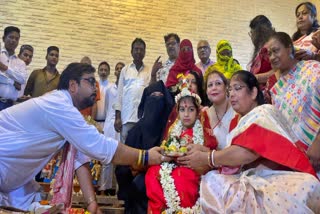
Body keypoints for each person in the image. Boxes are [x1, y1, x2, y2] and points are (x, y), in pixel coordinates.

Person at [0, 62, 168, 212]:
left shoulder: (66, 110)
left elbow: (80, 158)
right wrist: (145, 156)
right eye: (89, 81)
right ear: (73, 85)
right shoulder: (58, 105)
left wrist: (91, 202)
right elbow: (99, 146)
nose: (95, 87)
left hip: (10, 178)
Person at [178, 70, 320, 213]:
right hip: (254, 176)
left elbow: (247, 153)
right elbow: (235, 156)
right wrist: (206, 152)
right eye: (230, 90)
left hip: (275, 178)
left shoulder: (264, 112)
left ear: (253, 92)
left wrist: (208, 157)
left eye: (237, 88)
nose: (232, 94)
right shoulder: (240, 120)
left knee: (212, 182)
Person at [145, 86, 217, 213]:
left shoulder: (202, 130)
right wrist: (166, 154)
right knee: (151, 173)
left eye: (191, 109)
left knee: (182, 177)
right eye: (182, 110)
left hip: (192, 168)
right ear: (177, 112)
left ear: (197, 112)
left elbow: (211, 151)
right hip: (171, 165)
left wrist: (197, 150)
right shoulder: (174, 129)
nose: (186, 114)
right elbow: (166, 147)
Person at [116, 80, 174, 213]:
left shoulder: (171, 130)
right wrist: (133, 170)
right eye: (152, 97)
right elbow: (121, 168)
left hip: (166, 188)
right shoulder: (135, 132)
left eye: (159, 98)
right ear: (146, 101)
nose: (155, 102)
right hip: (137, 194)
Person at [267, 32, 320, 172]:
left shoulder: (314, 69)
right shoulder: (277, 90)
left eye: (276, 50)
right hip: (297, 162)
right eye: (269, 53)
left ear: (289, 48)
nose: (272, 57)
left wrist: (318, 141)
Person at [114, 38, 151, 143]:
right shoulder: (125, 70)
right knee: (125, 149)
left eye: (141, 49)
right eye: (136, 49)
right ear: (131, 51)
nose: (138, 52)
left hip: (143, 119)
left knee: (140, 149)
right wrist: (117, 118)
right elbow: (119, 95)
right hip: (127, 117)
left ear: (145, 52)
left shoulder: (149, 70)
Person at [99, 62, 125, 195]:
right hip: (110, 124)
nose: (119, 70)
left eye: (122, 68)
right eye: (117, 69)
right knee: (107, 156)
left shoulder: (126, 89)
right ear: (114, 72)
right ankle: (104, 188)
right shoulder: (110, 90)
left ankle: (117, 190)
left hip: (121, 126)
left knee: (120, 158)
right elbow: (108, 108)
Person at [202, 67, 235, 150]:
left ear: (226, 87)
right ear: (206, 91)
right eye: (210, 85)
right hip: (213, 161)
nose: (214, 88)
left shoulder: (238, 109)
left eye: (218, 83)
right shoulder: (204, 116)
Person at [0, 26, 27, 110]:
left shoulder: (21, 63)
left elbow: (22, 79)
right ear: (4, 38)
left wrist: (5, 68)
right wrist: (13, 82)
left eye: (17, 39)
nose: (14, 40)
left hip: (9, 105)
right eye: (11, 37)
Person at [248, 15, 275, 87]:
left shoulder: (272, 46)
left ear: (258, 32)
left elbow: (279, 71)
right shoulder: (260, 50)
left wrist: (254, 78)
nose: (251, 36)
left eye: (251, 33)